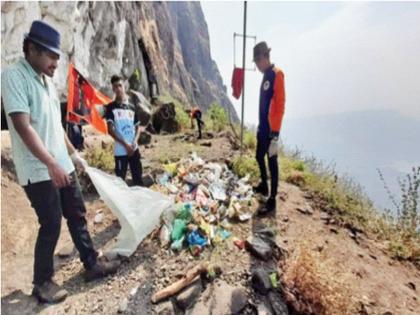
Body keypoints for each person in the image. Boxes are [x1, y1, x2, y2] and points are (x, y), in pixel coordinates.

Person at [1, 20, 120, 304]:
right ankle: (42, 283)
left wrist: (72, 154)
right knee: (51, 222)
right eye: (50, 55)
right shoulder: (14, 77)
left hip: (60, 164)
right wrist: (51, 163)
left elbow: (56, 126)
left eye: (58, 55)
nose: (56, 61)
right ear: (31, 49)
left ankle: (91, 263)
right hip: (38, 169)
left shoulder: (48, 84)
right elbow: (23, 126)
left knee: (77, 213)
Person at [252, 41, 286, 215]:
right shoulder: (265, 75)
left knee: (272, 161)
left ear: (265, 57)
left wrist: (275, 134)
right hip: (262, 126)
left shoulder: (276, 74)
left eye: (258, 61)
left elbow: (280, 106)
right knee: (259, 156)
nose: (257, 65)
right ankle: (264, 185)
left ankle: (272, 199)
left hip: (272, 129)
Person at [105, 75, 143, 186]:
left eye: (120, 85)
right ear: (113, 89)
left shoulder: (131, 106)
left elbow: (137, 127)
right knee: (120, 182)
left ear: (124, 86)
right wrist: (125, 144)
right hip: (121, 151)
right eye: (115, 87)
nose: (118, 89)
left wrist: (135, 141)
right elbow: (110, 130)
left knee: (138, 179)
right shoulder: (111, 107)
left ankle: (139, 202)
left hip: (134, 149)